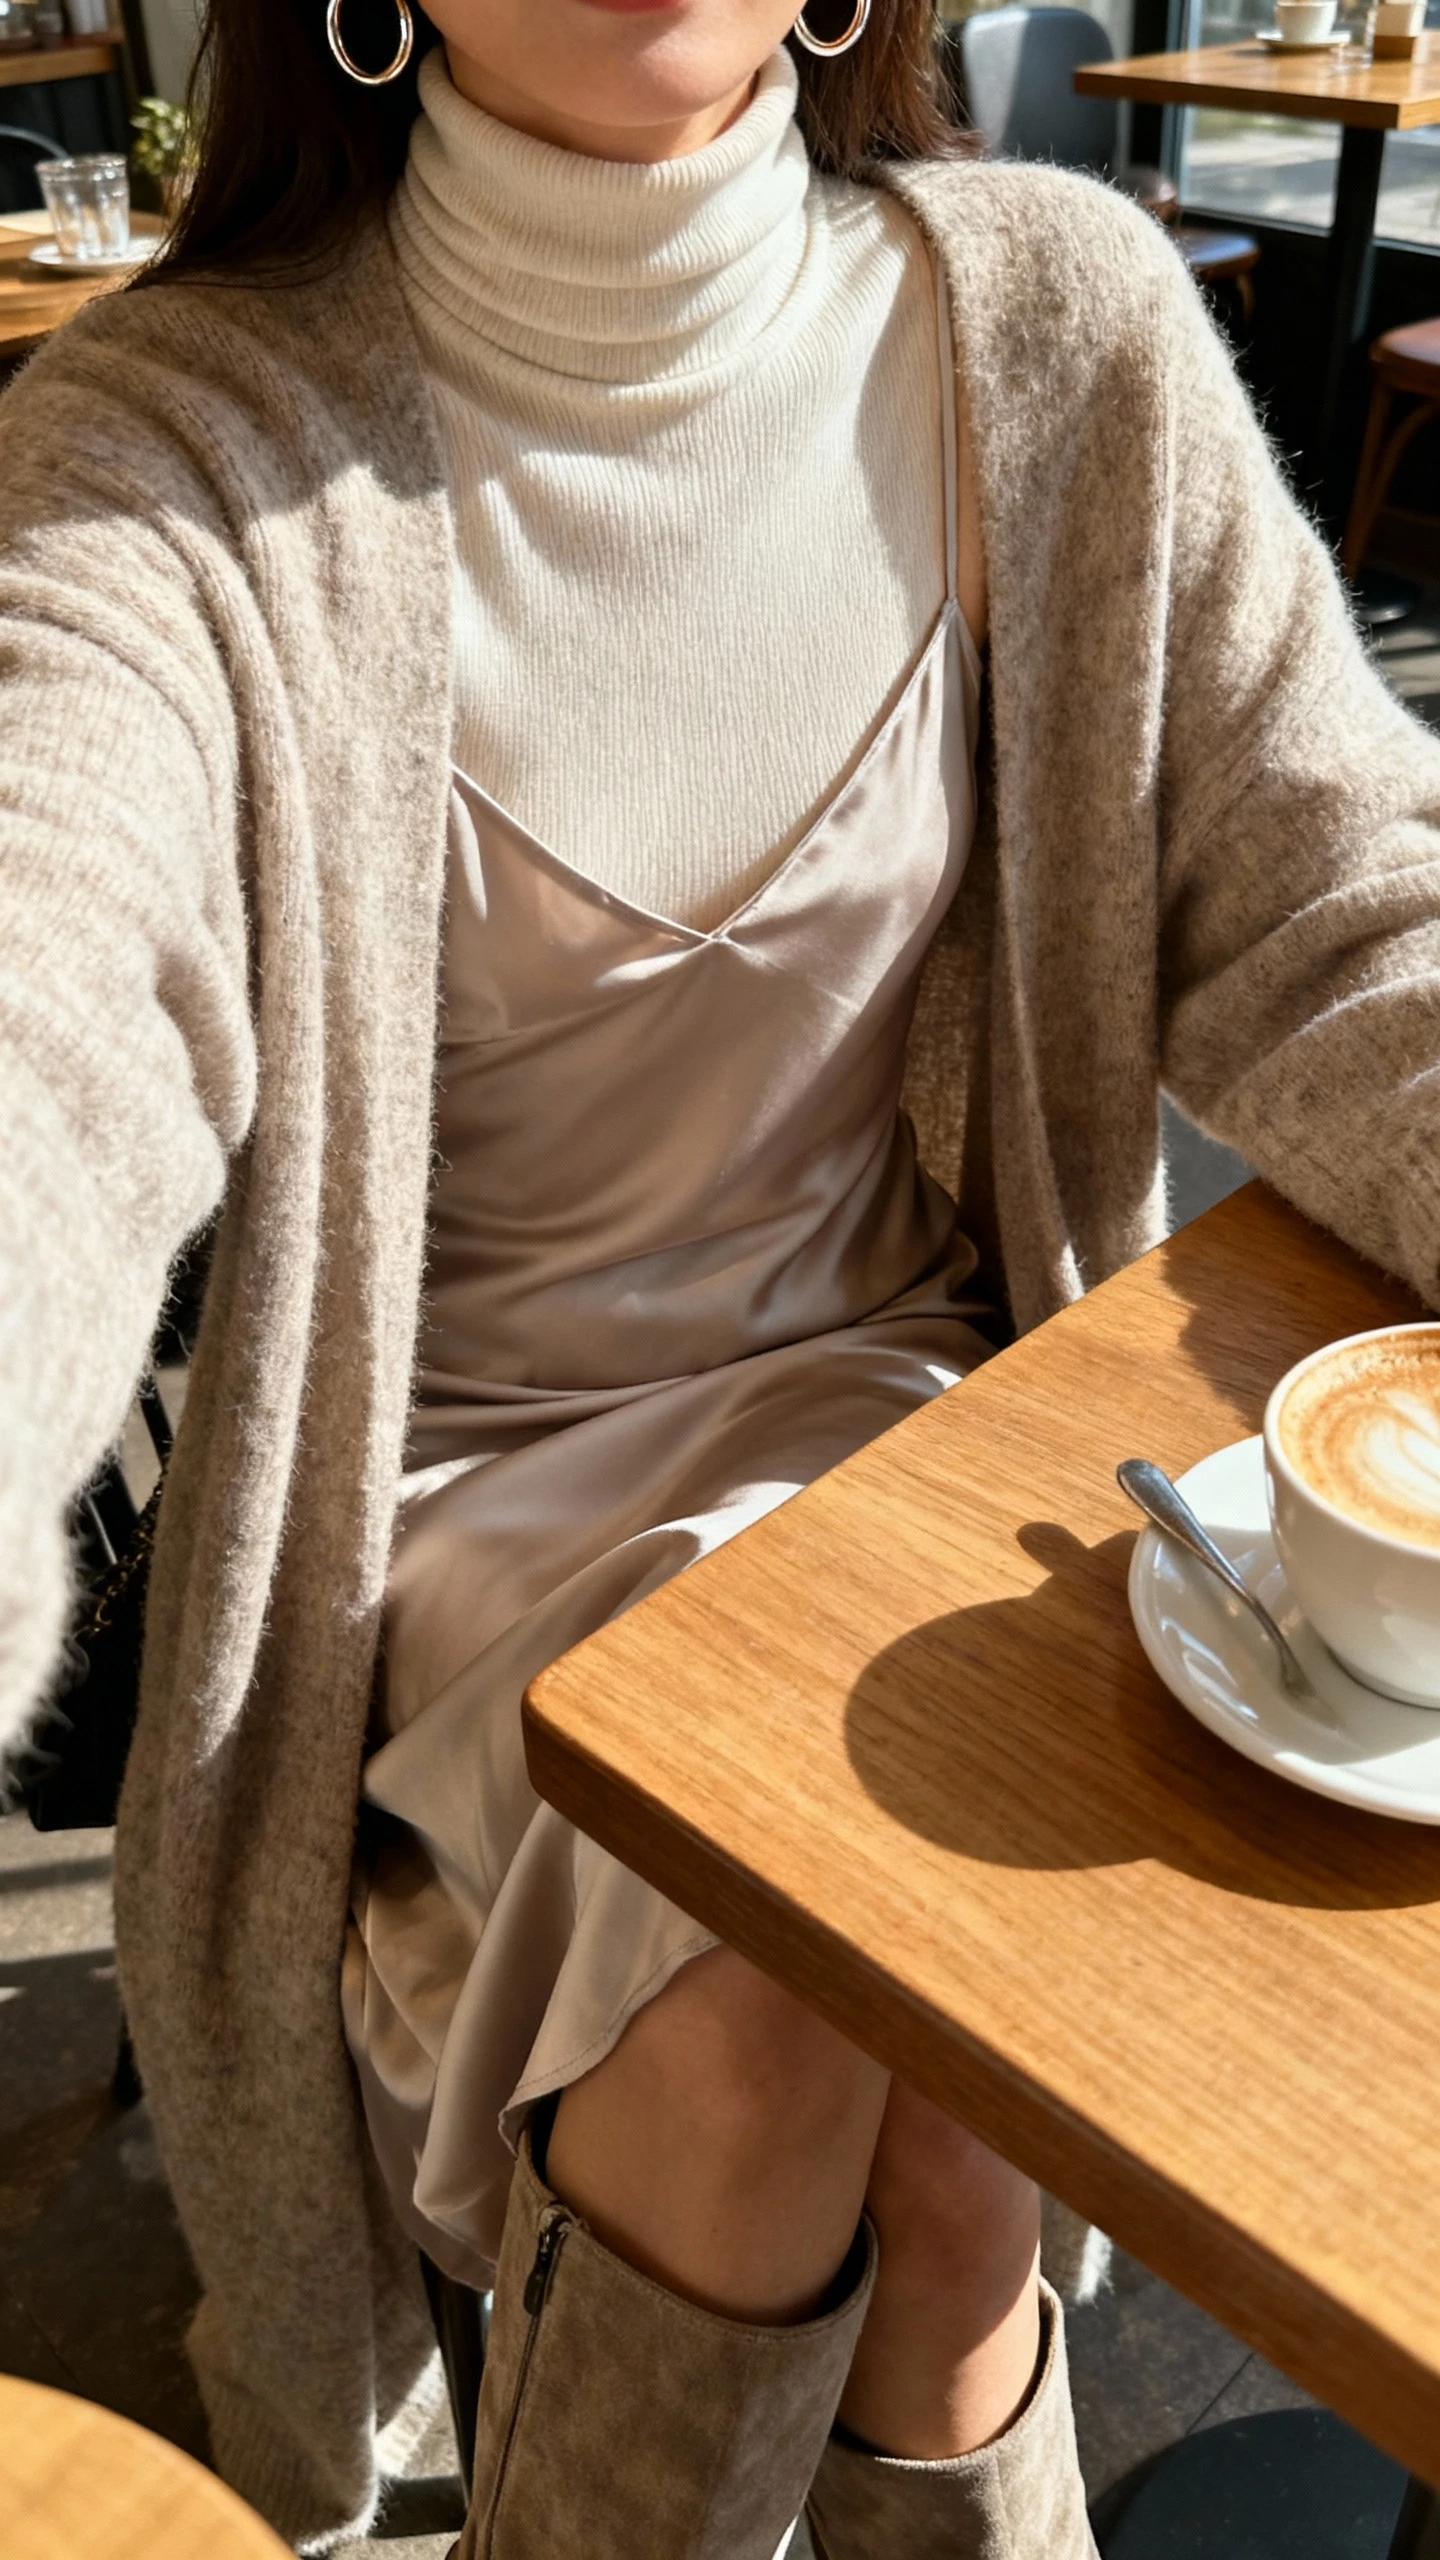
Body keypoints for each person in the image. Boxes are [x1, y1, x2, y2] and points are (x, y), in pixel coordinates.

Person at [1, 0, 1437, 2551]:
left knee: (959, 2094)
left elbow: (1351, 917)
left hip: (913, 1451)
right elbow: (38, 1023)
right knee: (783, 2005)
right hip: (454, 1514)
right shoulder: (171, 450)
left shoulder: (1059, 331)